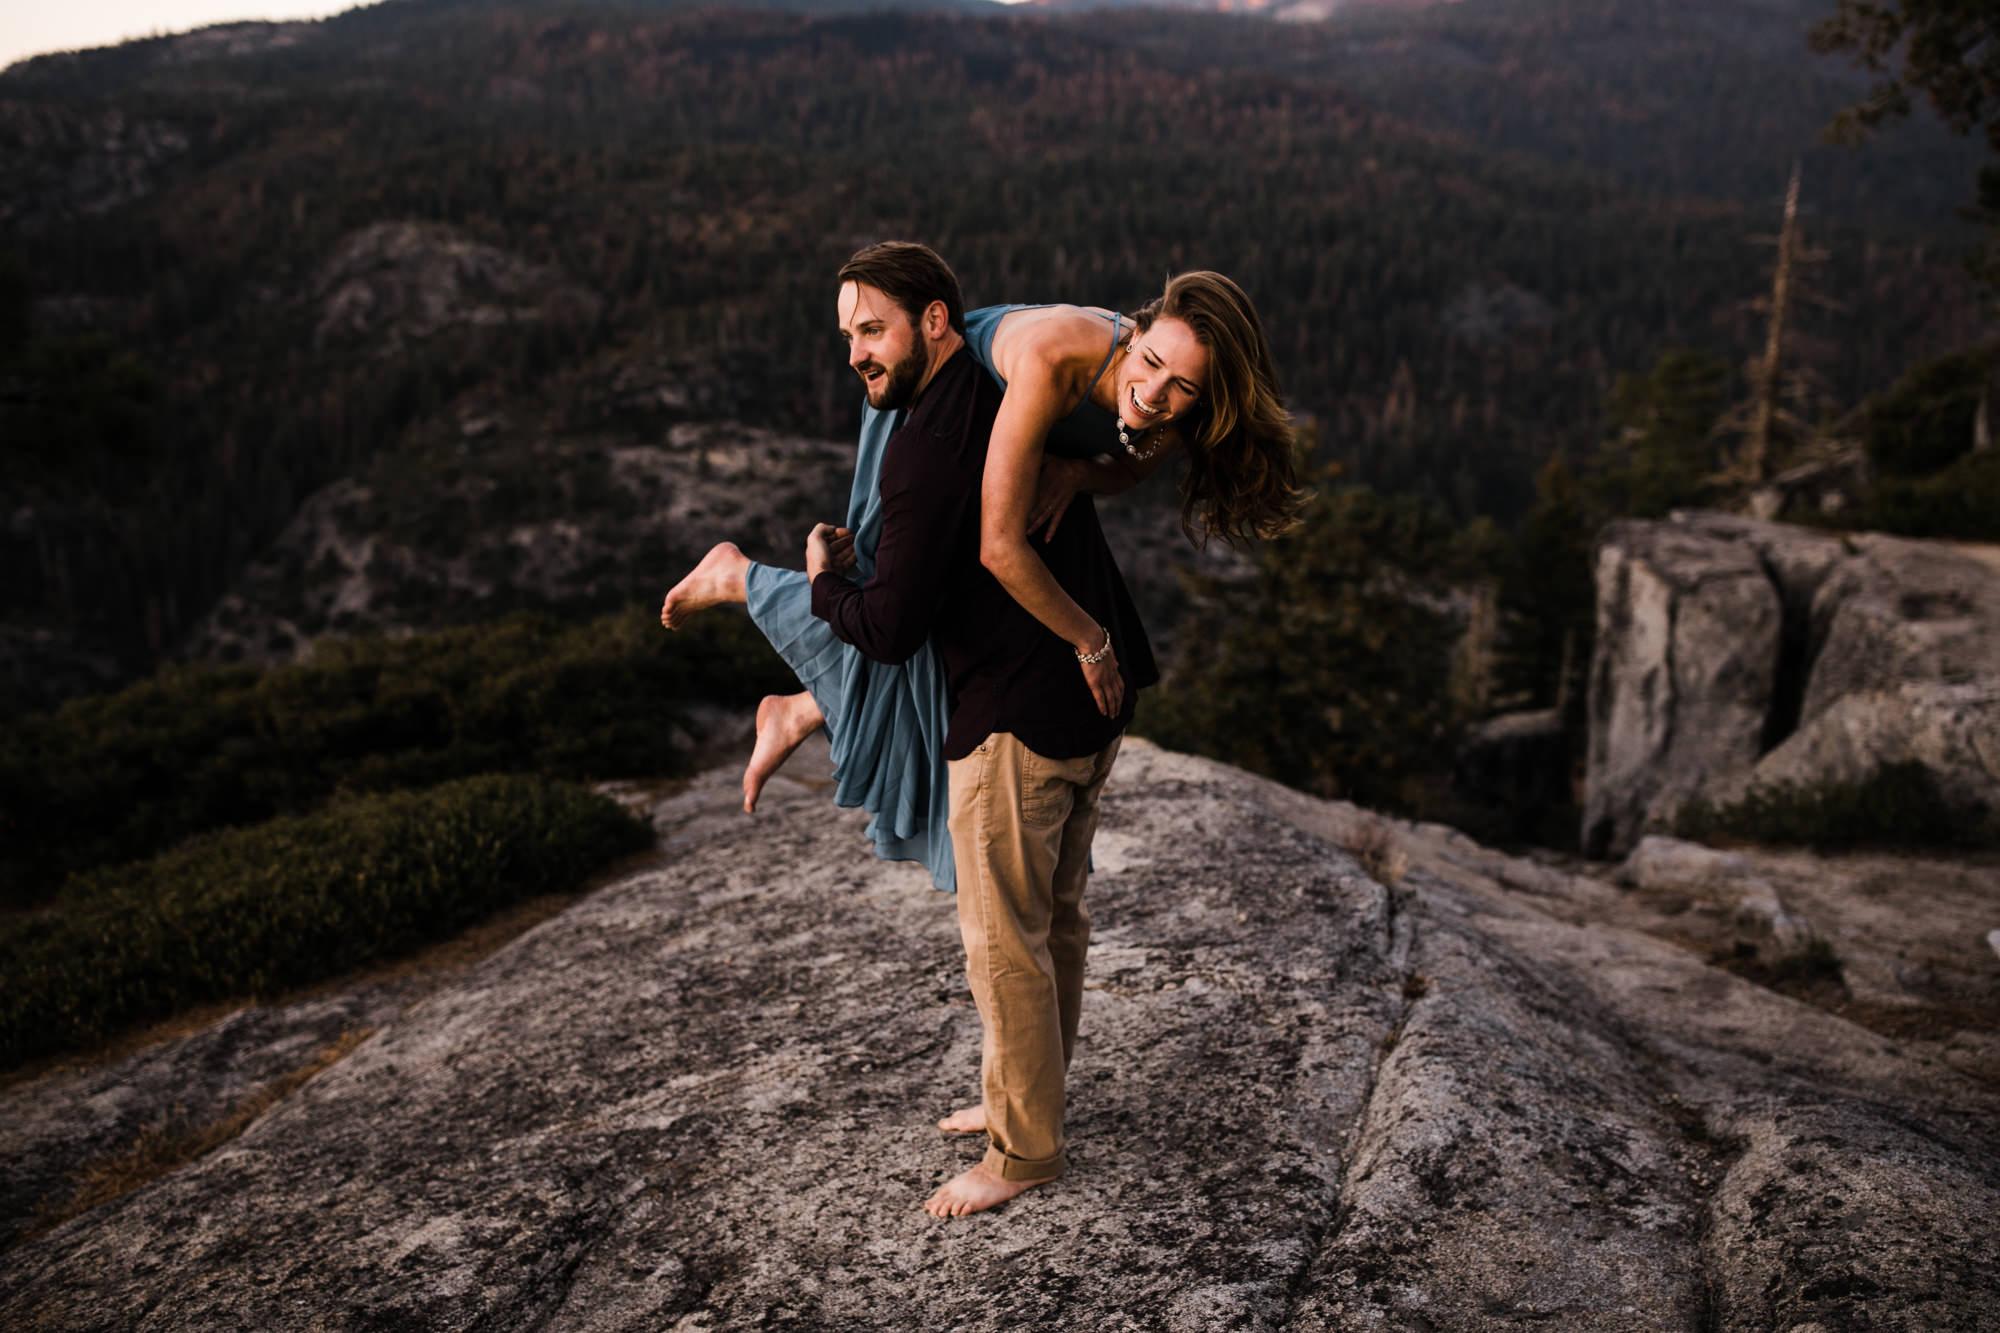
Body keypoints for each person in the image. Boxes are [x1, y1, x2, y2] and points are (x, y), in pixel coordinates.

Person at [659, 267, 1303, 896]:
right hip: (949, 389)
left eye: (1182, 385)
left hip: (1006, 412)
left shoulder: (1168, 399)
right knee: (894, 592)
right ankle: (739, 578)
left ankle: (803, 706)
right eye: (1153, 363)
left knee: (940, 606)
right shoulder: (1056, 362)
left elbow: (1127, 469)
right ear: (1135, 334)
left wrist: (1077, 475)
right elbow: (1000, 547)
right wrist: (1090, 640)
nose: (1155, 392)